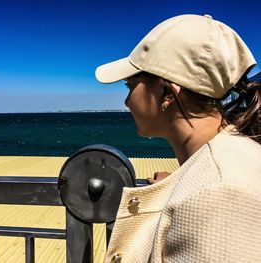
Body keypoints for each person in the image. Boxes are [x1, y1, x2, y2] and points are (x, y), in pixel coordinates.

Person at [95, 14, 261, 262]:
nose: (127, 101)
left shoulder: (218, 192)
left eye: (130, 86)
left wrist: (194, 192)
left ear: (166, 92)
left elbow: (218, 195)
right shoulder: (226, 159)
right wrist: (176, 185)